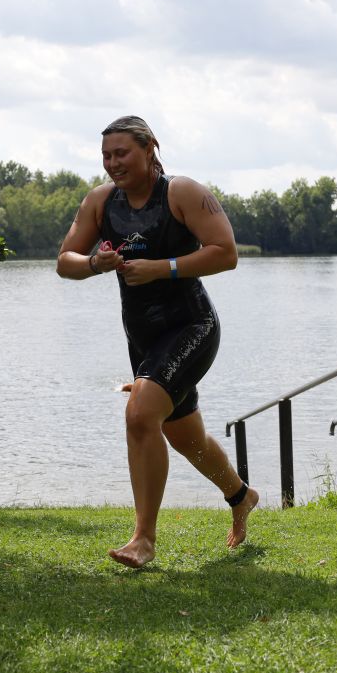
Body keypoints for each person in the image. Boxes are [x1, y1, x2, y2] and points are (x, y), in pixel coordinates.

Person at [57, 115, 259, 568]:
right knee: (184, 435)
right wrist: (95, 263)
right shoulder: (100, 202)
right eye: (106, 155)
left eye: (122, 153)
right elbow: (65, 261)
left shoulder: (181, 193)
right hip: (143, 336)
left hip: (192, 326)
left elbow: (226, 253)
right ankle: (241, 495)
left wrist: (162, 268)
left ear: (149, 148)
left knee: (140, 414)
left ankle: (143, 539)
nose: (113, 163)